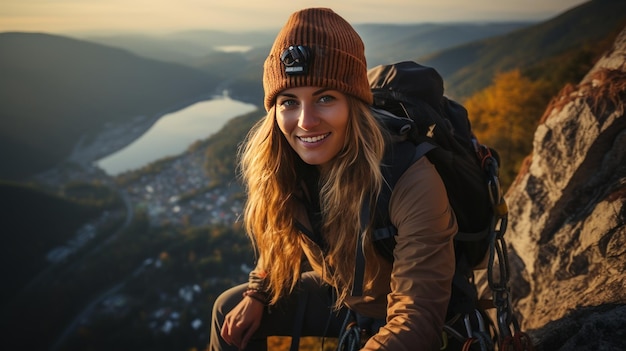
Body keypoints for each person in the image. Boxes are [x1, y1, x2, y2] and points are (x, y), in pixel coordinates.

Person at [209, 7, 457, 351]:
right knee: (228, 311)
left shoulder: (409, 178)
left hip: (407, 312)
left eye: (325, 98)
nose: (306, 121)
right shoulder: (288, 167)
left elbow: (418, 319)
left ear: (354, 105)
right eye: (289, 102)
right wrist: (258, 292)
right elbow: (282, 239)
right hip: (345, 296)